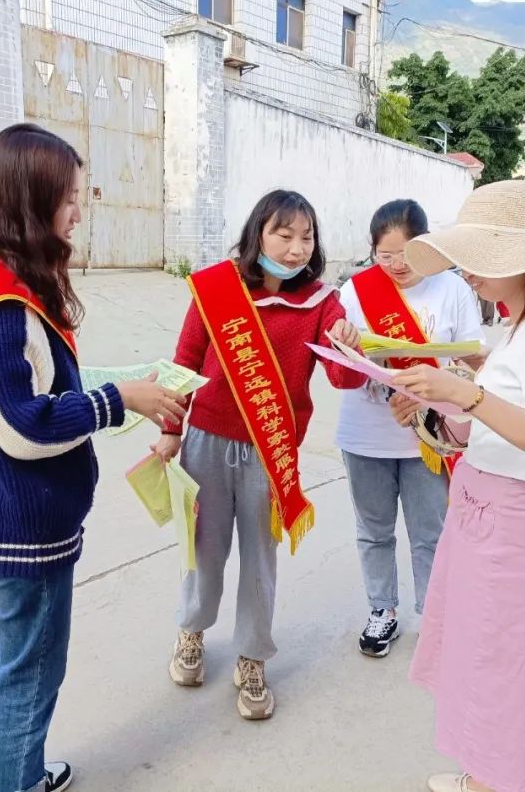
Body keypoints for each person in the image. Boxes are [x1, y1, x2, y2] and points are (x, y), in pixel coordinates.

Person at [0, 123, 186, 792]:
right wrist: (119, 398)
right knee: (31, 668)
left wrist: (122, 383)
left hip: (1, 507)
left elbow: (36, 383)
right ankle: (11, 780)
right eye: (66, 197)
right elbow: (22, 424)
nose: (76, 211)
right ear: (27, 201)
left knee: (12, 656)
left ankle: (1, 770)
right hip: (20, 516)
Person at [388, 179, 525, 792]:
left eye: (477, 260)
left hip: (511, 523)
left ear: (518, 261)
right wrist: (447, 405)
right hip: (489, 512)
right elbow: (497, 425)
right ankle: (489, 772)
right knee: (489, 656)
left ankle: (497, 781)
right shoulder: (519, 326)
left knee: (504, 662)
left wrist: (468, 395)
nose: (466, 273)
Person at [150, 190, 367, 720]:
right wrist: (172, 430)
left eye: (306, 237)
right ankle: (192, 633)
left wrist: (350, 345)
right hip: (206, 438)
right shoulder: (217, 290)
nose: (295, 249)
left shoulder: (323, 303)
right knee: (204, 548)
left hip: (271, 449)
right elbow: (186, 360)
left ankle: (252, 658)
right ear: (258, 235)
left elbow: (343, 378)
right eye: (283, 235)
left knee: (260, 560)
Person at [335, 200, 484, 657]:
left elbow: (470, 365)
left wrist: (425, 395)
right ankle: (383, 610)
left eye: (406, 254)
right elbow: (342, 376)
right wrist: (349, 351)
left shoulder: (454, 289)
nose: (397, 266)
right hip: (365, 433)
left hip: (428, 436)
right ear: (372, 252)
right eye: (385, 256)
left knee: (430, 532)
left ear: (425, 246)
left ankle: (433, 617)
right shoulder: (355, 293)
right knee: (373, 530)